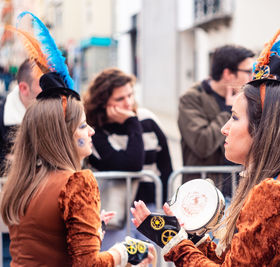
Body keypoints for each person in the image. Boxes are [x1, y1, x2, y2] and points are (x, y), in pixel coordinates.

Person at [132, 12, 280, 266]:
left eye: (233, 117)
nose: (224, 128)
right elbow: (234, 260)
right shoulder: (277, 185)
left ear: (263, 129)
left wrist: (175, 243)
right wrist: (177, 234)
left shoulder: (274, 192)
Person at [0, 11, 155, 266]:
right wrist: (124, 251)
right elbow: (88, 264)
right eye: (83, 125)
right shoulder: (76, 183)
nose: (91, 131)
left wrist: (90, 228)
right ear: (63, 134)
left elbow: (46, 241)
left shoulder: (23, 179)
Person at [84, 68, 173, 248]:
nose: (128, 103)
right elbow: (131, 164)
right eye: (120, 99)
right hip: (114, 214)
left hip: (151, 210)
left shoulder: (148, 120)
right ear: (103, 102)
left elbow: (166, 167)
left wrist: (165, 209)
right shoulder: (94, 130)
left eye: (130, 95)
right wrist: (132, 123)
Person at [178, 44, 254, 197]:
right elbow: (202, 144)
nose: (252, 77)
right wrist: (229, 111)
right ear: (228, 74)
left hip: (239, 190)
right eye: (248, 71)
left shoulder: (247, 98)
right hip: (206, 195)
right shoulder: (192, 98)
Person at [0, 59, 41, 171]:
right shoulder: (2, 115)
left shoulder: (56, 111)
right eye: (42, 83)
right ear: (24, 88)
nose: (50, 88)